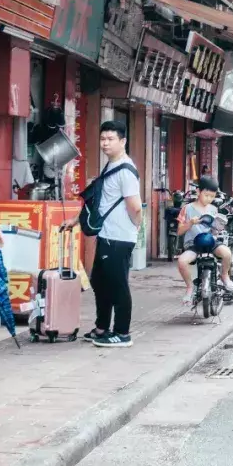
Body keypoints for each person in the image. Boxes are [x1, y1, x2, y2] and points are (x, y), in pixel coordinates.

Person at [82, 120, 142, 349]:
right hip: (108, 235)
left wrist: (135, 227)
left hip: (119, 237)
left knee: (118, 284)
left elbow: (135, 207)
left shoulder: (126, 171)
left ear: (123, 141)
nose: (105, 143)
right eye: (102, 139)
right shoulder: (111, 164)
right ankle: (102, 327)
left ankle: (122, 333)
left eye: (110, 139)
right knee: (99, 280)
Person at [176, 176, 233, 306]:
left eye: (212, 196)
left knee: (227, 253)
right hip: (193, 244)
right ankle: (190, 288)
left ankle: (225, 276)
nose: (209, 199)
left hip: (211, 242)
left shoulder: (213, 209)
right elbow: (179, 231)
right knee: (181, 262)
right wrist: (190, 223)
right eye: (206, 195)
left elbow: (215, 231)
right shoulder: (187, 208)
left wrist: (218, 227)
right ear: (198, 191)